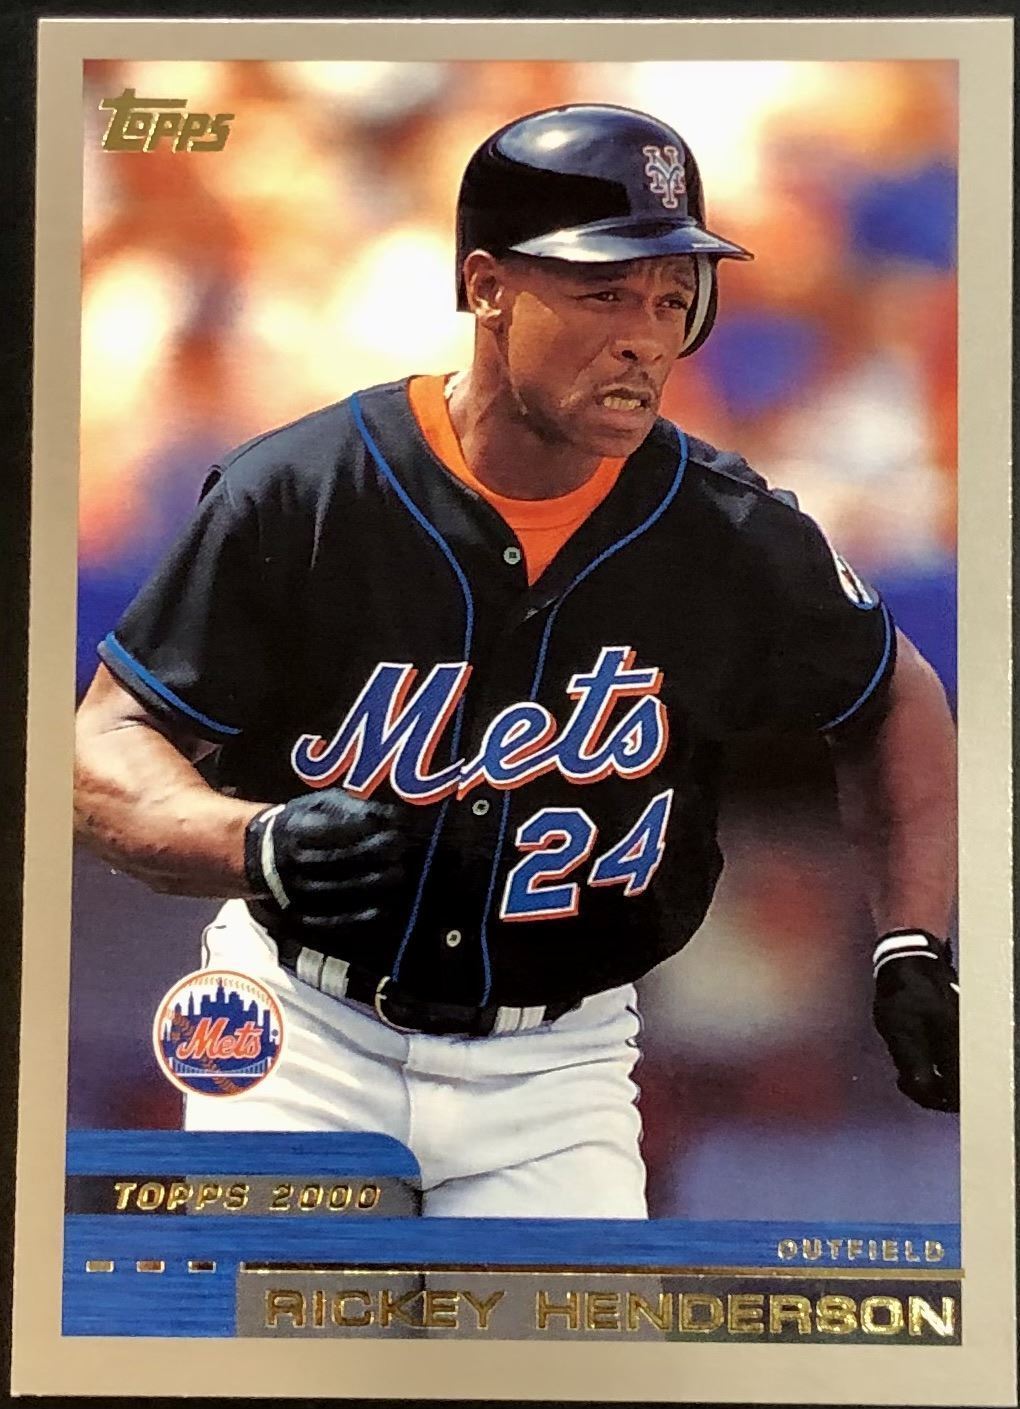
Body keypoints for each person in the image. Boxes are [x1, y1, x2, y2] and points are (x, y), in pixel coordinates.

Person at [74, 103, 959, 1219]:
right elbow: (106, 741)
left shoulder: (728, 532)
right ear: (486, 286)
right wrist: (248, 840)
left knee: (566, 1337)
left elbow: (894, 693)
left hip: (559, 1066)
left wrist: (909, 942)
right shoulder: (306, 489)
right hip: (302, 1034)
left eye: (672, 298)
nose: (645, 336)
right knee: (285, 1333)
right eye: (605, 292)